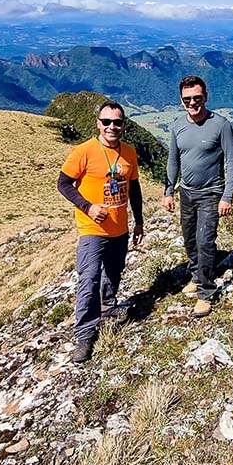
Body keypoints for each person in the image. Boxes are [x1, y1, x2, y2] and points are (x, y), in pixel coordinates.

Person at [57, 100, 144, 363]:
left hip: (120, 227)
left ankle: (107, 309)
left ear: (124, 125)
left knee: (114, 272)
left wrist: (139, 221)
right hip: (91, 228)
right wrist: (88, 206)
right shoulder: (83, 151)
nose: (112, 127)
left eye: (117, 122)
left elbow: (135, 188)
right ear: (98, 123)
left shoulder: (129, 152)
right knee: (89, 278)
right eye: (106, 122)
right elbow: (63, 183)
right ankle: (85, 335)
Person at [162, 76, 233, 317]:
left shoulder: (221, 125)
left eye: (197, 97)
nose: (193, 103)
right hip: (186, 192)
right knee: (189, 239)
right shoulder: (177, 126)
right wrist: (168, 191)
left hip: (211, 193)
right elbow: (173, 160)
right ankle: (197, 274)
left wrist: (227, 196)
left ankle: (206, 293)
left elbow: (232, 161)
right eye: (187, 99)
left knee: (205, 241)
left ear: (206, 96)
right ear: (181, 100)